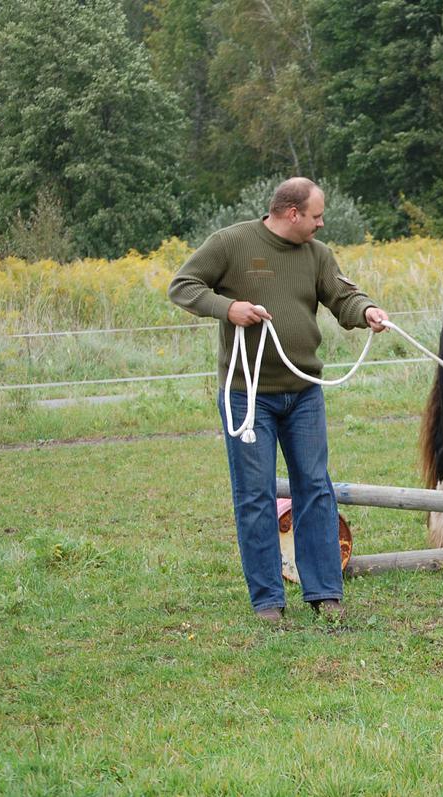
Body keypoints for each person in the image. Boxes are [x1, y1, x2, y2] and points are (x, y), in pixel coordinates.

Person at [168, 177, 388, 622]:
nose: (321, 224)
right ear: (292, 213)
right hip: (248, 396)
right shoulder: (232, 243)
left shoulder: (317, 255)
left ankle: (326, 592)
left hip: (304, 391)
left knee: (316, 487)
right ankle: (268, 600)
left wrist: (365, 311)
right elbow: (183, 285)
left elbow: (341, 294)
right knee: (254, 495)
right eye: (316, 216)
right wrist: (228, 309)